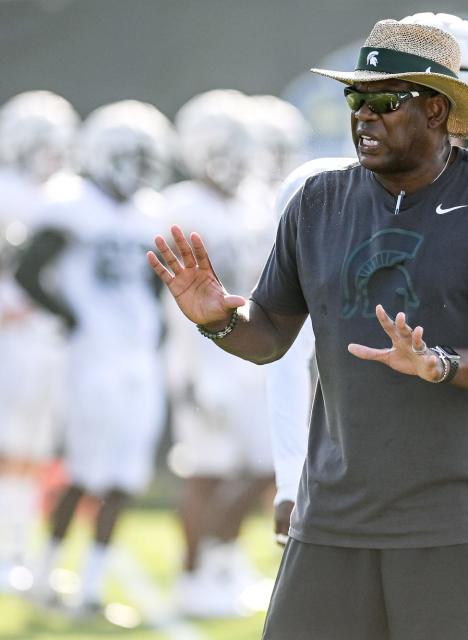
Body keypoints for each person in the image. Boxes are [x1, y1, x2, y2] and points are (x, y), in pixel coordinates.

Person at [148, 18, 468, 640]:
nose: (363, 116)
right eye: (355, 98)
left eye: (384, 101)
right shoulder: (317, 201)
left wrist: (442, 364)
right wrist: (218, 320)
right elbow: (269, 336)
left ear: (434, 109)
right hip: (332, 524)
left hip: (453, 528)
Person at [16, 100, 175, 615]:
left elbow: (154, 286)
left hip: (135, 358)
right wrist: (71, 317)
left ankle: (91, 586)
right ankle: (46, 572)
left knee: (127, 475)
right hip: (90, 356)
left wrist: (151, 334)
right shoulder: (72, 201)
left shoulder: (152, 209)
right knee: (84, 470)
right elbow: (27, 271)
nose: (143, 169)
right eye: (133, 156)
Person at [162, 88, 276, 618]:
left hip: (250, 354)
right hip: (200, 357)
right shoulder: (181, 204)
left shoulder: (256, 203)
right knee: (207, 472)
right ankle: (194, 575)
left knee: (262, 468)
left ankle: (221, 562)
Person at [0, 90, 78, 592]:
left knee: (35, 448)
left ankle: (19, 546)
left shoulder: (68, 194)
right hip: (10, 335)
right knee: (8, 447)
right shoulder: (6, 189)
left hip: (48, 336)